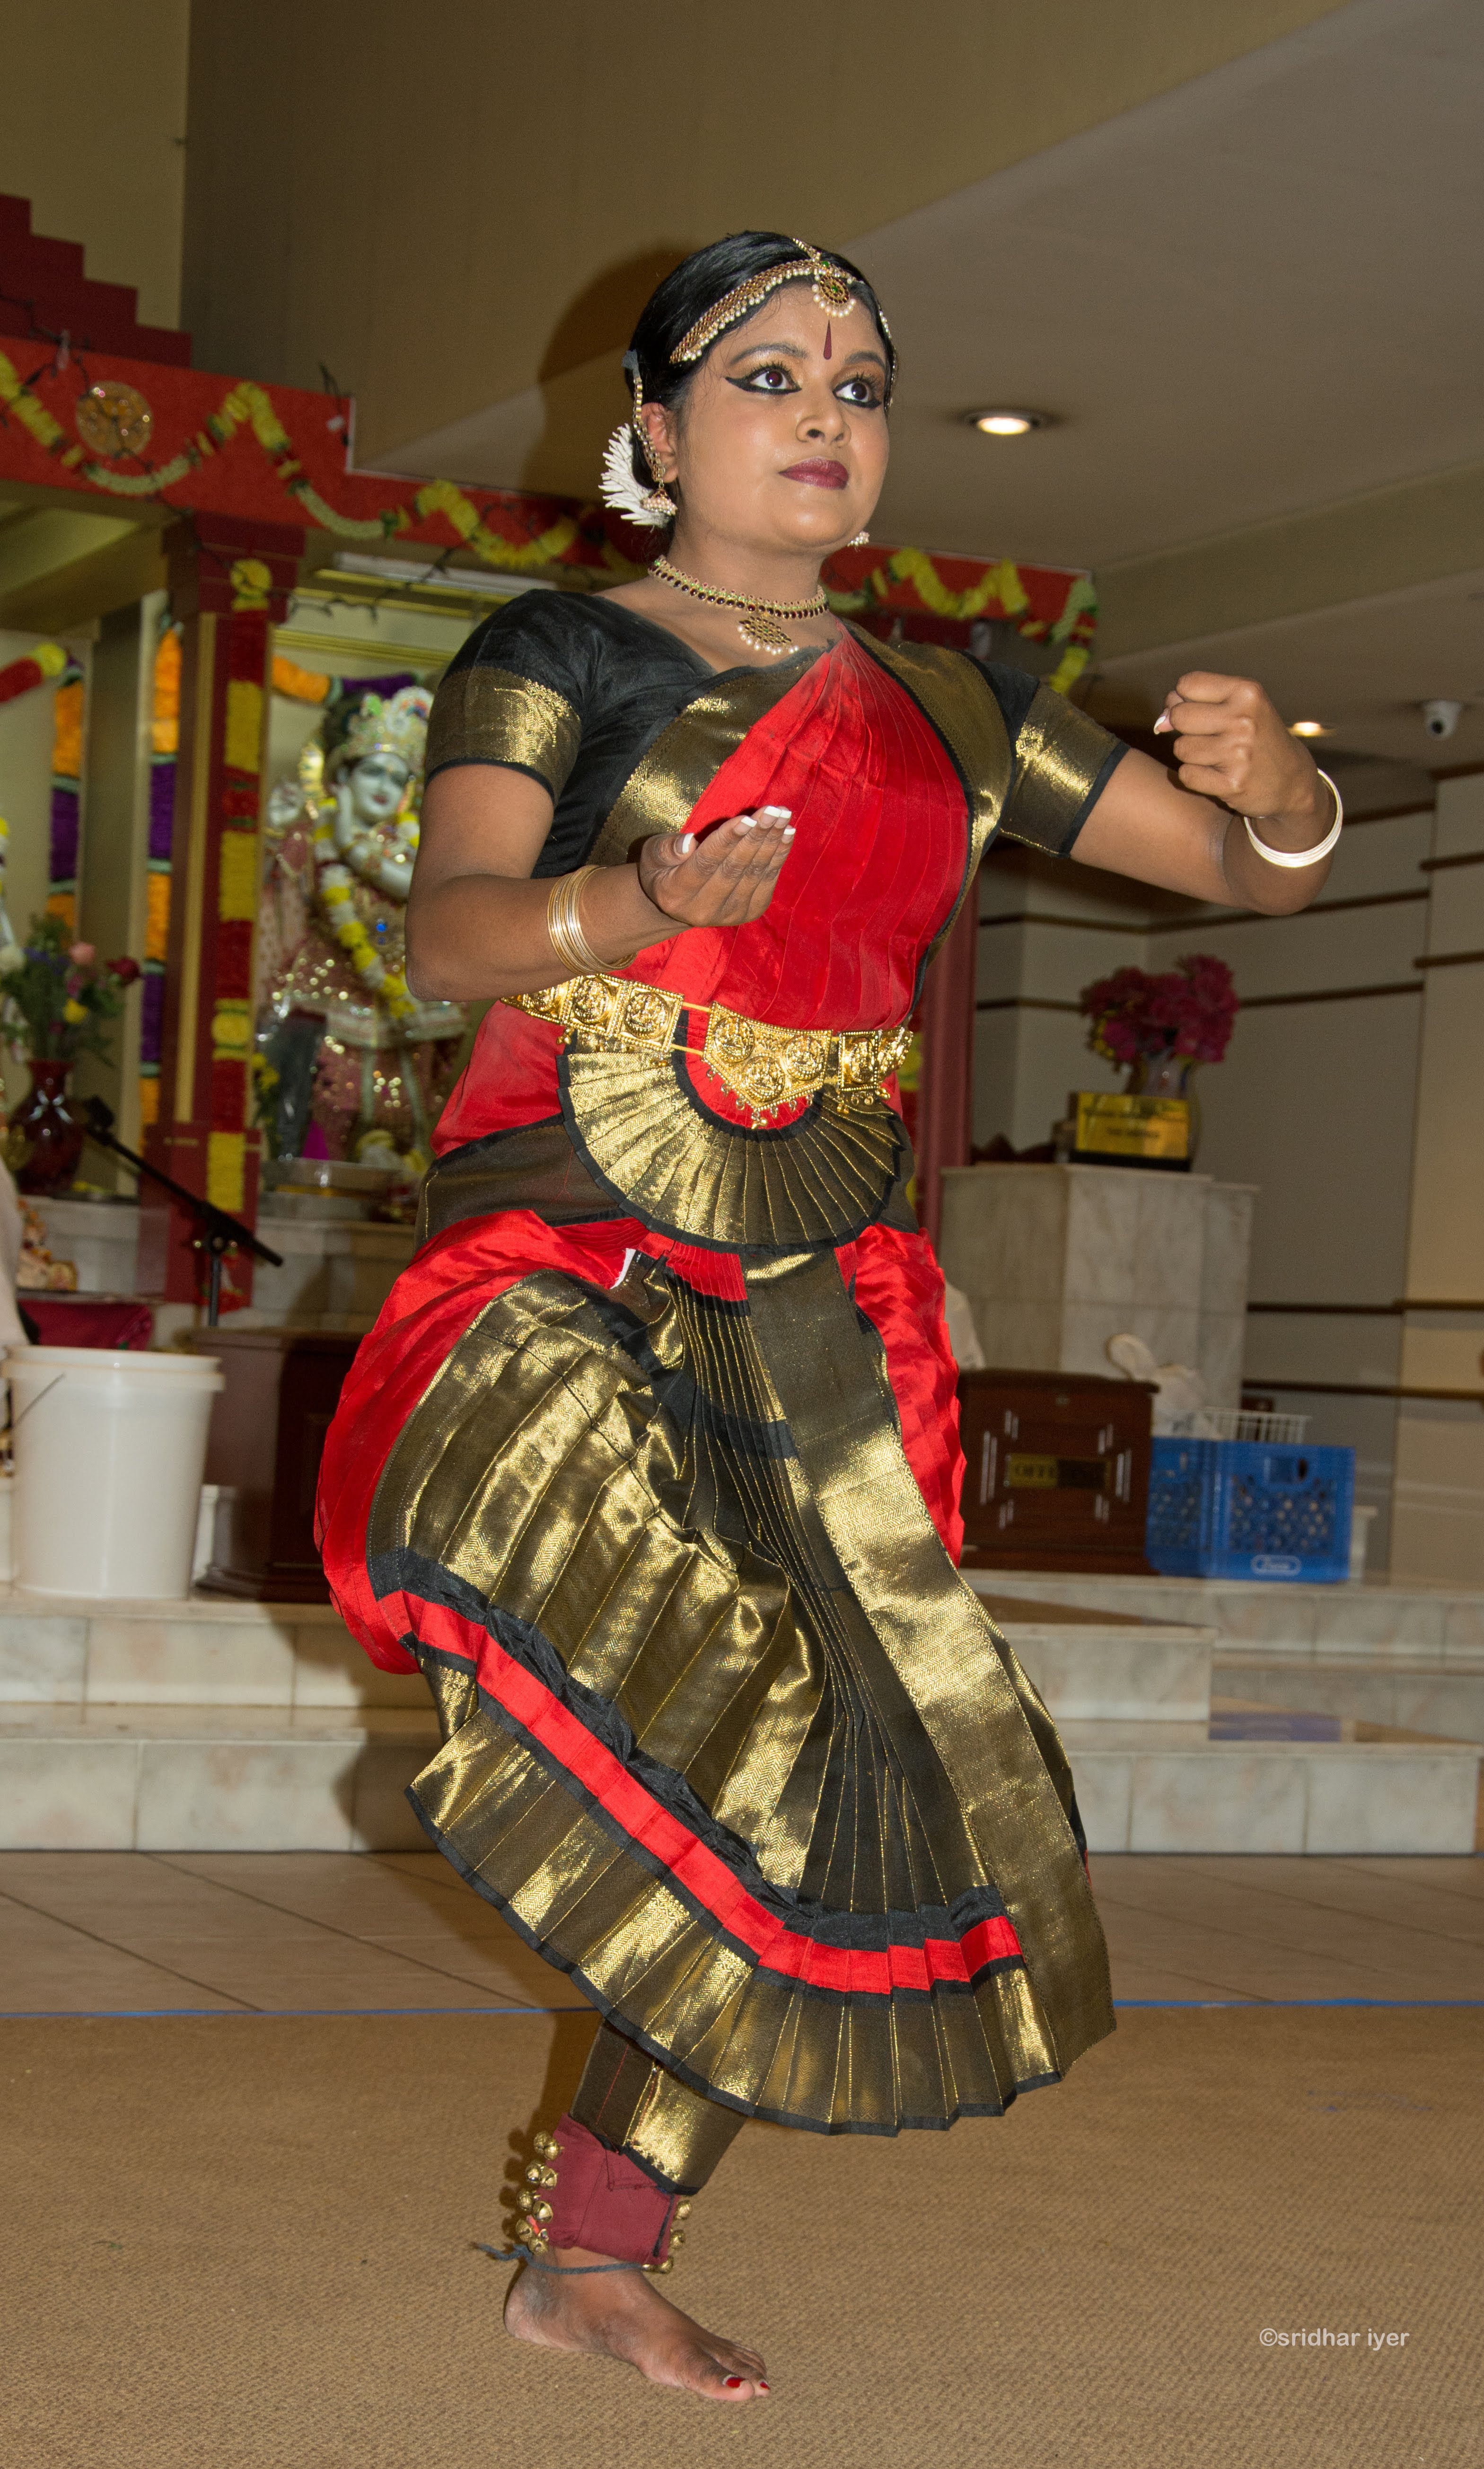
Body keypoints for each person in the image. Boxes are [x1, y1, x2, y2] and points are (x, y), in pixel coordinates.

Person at [317, 232, 1338, 2406]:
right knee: (674, 1680)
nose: (823, 413)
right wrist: (636, 897)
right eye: (766, 372)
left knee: (832, 1761)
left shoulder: (956, 702)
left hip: (829, 1291)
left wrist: (1282, 789)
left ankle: (597, 2251)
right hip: (574, 1241)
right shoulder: (556, 653)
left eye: (858, 381)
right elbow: (450, 933)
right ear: (655, 424)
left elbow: (1244, 873)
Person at [257, 684, 465, 1166]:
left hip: (406, 1008)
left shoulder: (418, 847)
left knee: (408, 1116)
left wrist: (354, 843)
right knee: (329, 1110)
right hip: (326, 1004)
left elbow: (427, 894)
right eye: (372, 771)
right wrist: (272, 834)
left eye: (396, 777)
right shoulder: (312, 838)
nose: (383, 786)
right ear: (340, 776)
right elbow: (274, 905)